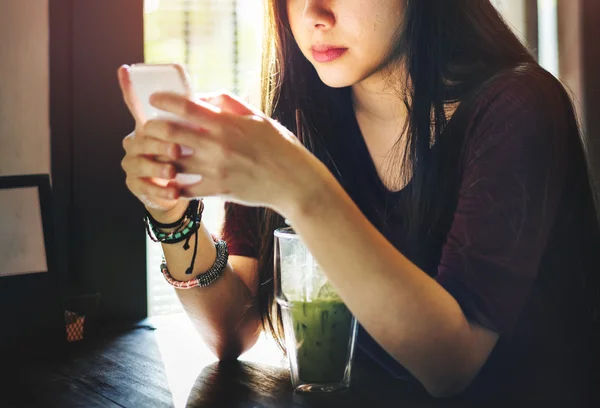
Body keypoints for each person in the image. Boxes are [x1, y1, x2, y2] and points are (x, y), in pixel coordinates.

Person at [118, 0, 600, 402]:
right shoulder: (296, 110)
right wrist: (173, 216)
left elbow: (450, 363)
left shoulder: (519, 106)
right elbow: (231, 328)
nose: (312, 14)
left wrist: (300, 186)